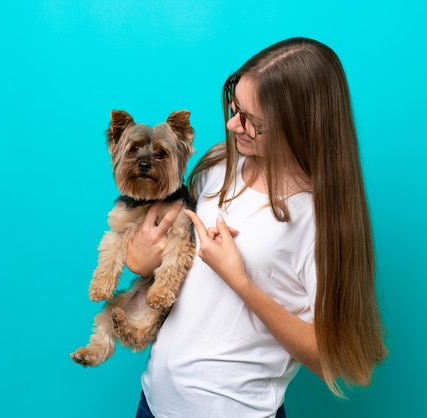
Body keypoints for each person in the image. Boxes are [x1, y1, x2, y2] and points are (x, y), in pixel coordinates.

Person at [126, 37, 387, 417]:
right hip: (153, 403)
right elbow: (180, 271)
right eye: (235, 108)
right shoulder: (217, 167)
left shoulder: (317, 220)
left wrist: (241, 281)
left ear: (302, 127)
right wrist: (143, 260)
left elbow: (331, 359)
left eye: (253, 121)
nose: (233, 124)